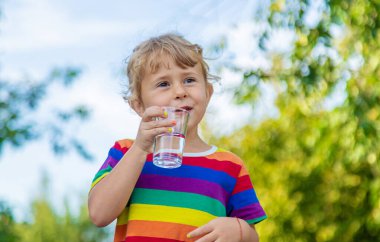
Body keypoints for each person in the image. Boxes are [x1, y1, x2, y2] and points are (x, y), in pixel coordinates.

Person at [88, 33, 267, 242]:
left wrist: (239, 231)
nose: (180, 91)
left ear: (208, 93)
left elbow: (253, 236)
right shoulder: (126, 152)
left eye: (189, 80)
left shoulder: (230, 167)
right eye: (163, 84)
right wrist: (140, 149)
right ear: (138, 105)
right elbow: (99, 214)